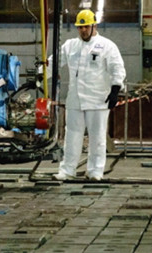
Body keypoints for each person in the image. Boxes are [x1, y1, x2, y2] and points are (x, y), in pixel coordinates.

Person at [53, 9, 126, 181]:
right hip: (75, 100)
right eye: (80, 27)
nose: (83, 30)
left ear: (94, 25)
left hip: (98, 99)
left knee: (97, 137)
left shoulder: (107, 46)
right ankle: (67, 170)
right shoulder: (70, 46)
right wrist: (40, 75)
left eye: (86, 27)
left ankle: (95, 172)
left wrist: (115, 89)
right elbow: (54, 62)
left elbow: (117, 68)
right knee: (72, 136)